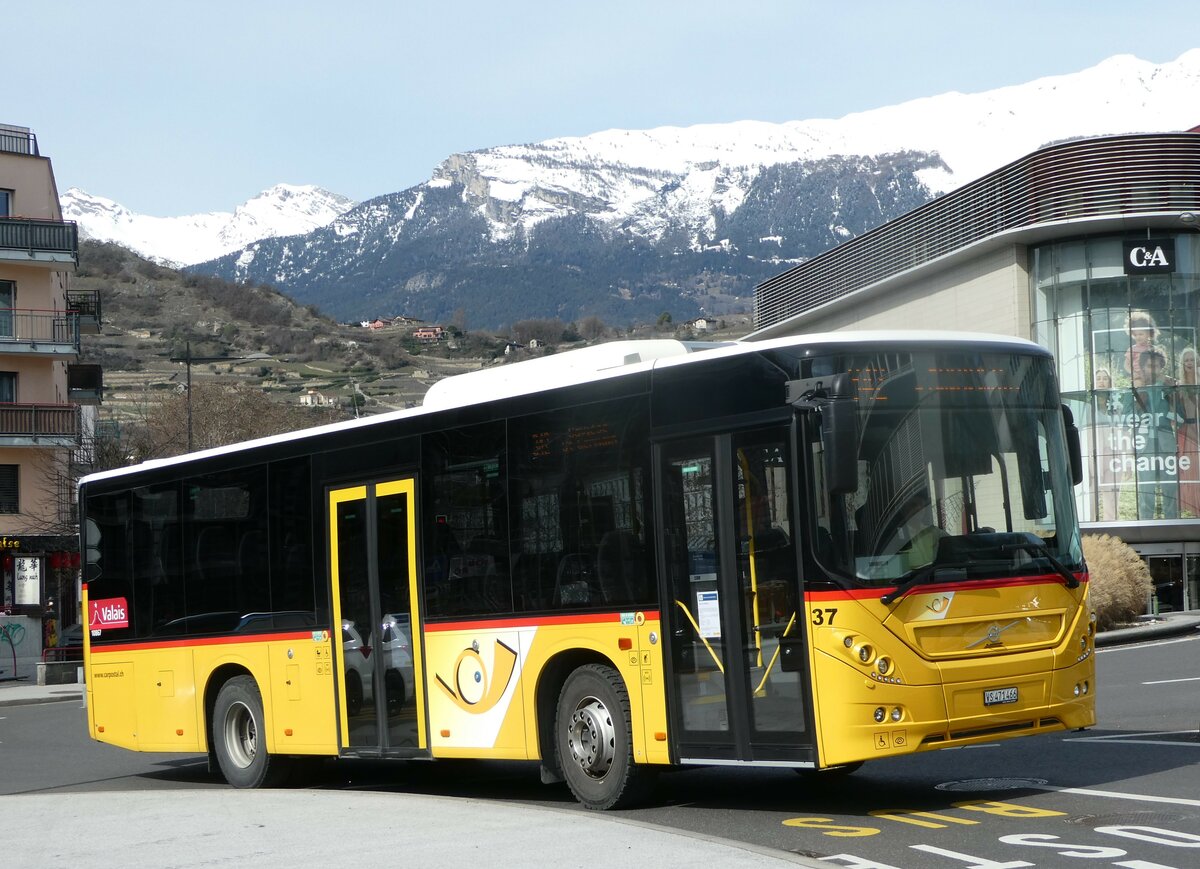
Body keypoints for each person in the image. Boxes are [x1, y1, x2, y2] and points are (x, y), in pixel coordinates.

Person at [1124, 348, 1179, 519]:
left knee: (1170, 489)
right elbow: (1126, 418)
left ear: (1162, 367)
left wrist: (1171, 399)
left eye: (1157, 366)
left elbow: (1181, 416)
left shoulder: (1169, 388)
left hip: (1166, 444)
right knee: (1146, 490)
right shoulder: (1133, 389)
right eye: (1149, 365)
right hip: (1144, 445)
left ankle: (1173, 527)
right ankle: (1145, 525)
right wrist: (1140, 395)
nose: (1153, 369)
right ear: (1142, 367)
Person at [1091, 367, 1122, 521]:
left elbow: (1124, 434)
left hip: (1113, 454)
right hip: (1094, 454)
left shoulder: (1117, 406)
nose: (1101, 381)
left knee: (1112, 496)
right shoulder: (1089, 405)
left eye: (1105, 378)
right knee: (1092, 495)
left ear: (1109, 381)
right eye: (1099, 378)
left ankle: (1112, 528)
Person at [1176, 347, 1200, 517]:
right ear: (1182, 364)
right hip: (1187, 430)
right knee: (1190, 469)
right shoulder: (1179, 386)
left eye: (1192, 359)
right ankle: (1192, 509)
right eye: (1186, 360)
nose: (1189, 363)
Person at [1123, 309, 1163, 388]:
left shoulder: (1152, 349)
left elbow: (1160, 363)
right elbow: (1126, 365)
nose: (1138, 337)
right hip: (1138, 377)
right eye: (1136, 334)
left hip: (1151, 376)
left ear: (1148, 333)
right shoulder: (1133, 349)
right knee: (1139, 387)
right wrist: (1133, 373)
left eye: (1141, 334)